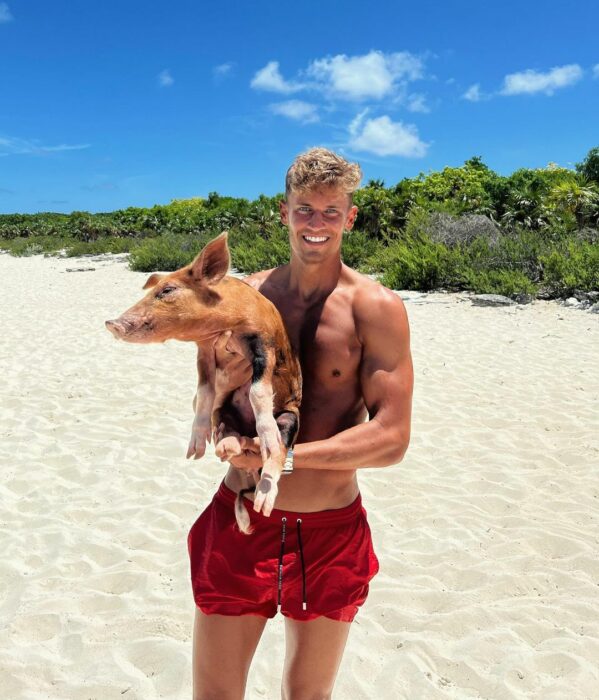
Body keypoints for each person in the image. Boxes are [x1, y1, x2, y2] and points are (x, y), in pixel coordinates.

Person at [187, 147, 413, 700]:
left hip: (330, 533)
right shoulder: (247, 297)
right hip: (241, 520)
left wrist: (283, 458)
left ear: (350, 218)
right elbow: (218, 387)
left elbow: (391, 437)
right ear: (283, 212)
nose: (317, 223)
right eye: (305, 209)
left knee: (307, 696)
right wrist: (220, 432)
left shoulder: (374, 307)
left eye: (331, 211)